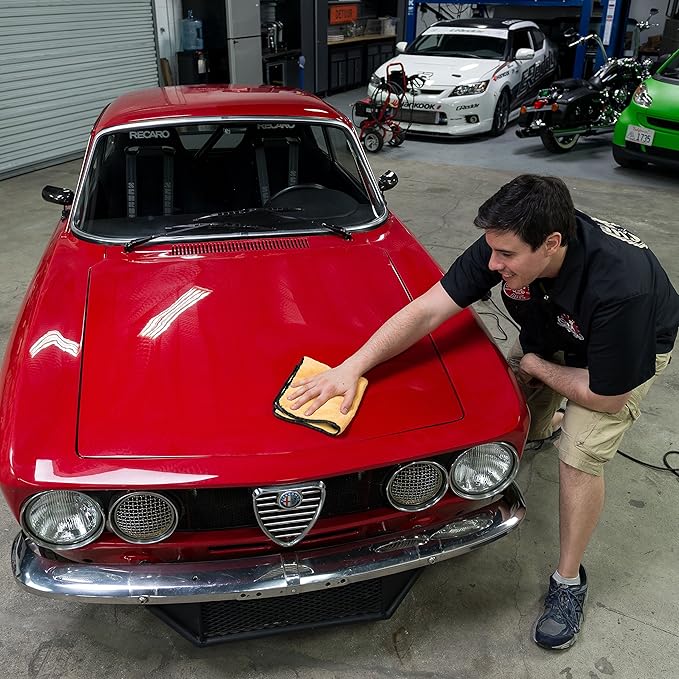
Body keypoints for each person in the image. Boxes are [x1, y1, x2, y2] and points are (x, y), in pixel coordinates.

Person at [287, 174, 679, 650]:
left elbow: (607, 396)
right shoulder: (509, 239)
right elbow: (427, 310)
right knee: (511, 408)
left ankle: (568, 581)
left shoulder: (623, 287)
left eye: (506, 256)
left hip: (618, 359)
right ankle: (544, 426)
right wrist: (351, 367)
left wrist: (535, 365)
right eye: (492, 251)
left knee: (579, 459)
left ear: (551, 243)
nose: (493, 265)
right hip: (554, 329)